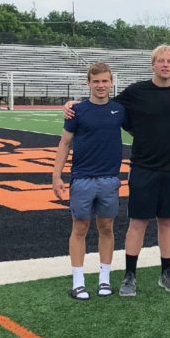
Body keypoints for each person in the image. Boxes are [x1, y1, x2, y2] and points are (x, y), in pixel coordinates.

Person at [67, 44, 170, 296]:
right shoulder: (137, 91)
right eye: (160, 61)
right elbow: (103, 103)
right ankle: (130, 276)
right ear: (152, 64)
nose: (164, 65)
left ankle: (166, 274)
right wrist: (73, 104)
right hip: (143, 166)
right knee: (137, 222)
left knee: (167, 222)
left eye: (169, 62)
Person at [53, 62, 126, 300]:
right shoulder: (77, 110)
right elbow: (64, 143)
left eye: (105, 81)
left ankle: (104, 279)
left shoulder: (119, 110)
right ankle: (78, 281)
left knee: (106, 227)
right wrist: (56, 175)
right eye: (96, 81)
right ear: (89, 83)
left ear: (111, 83)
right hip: (82, 178)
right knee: (80, 227)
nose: (101, 85)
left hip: (109, 179)